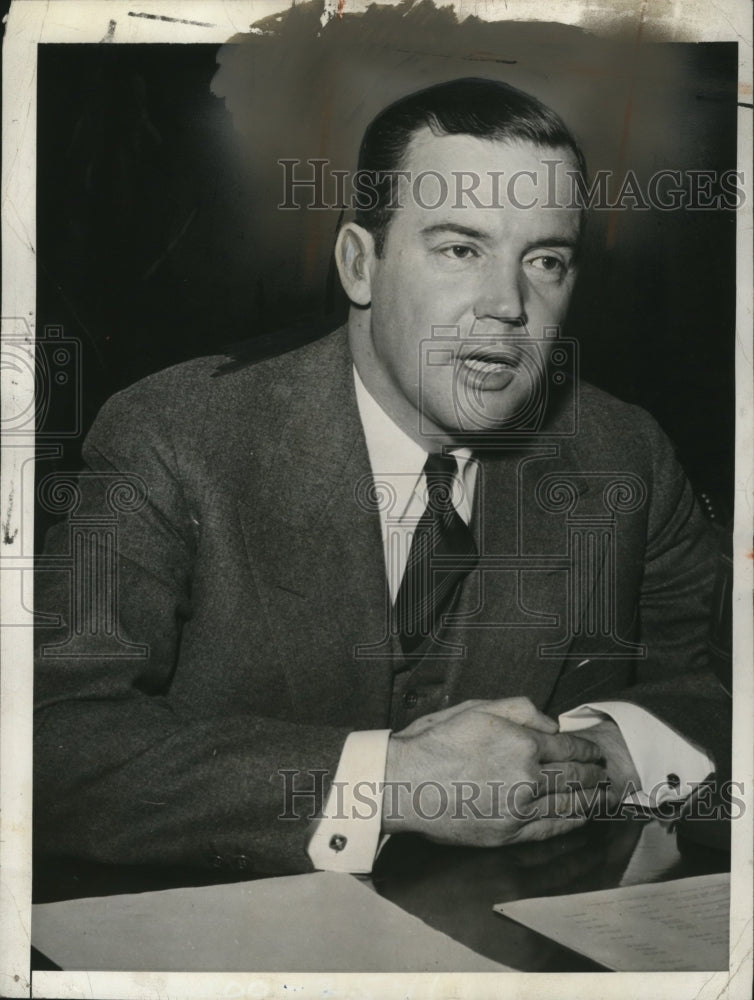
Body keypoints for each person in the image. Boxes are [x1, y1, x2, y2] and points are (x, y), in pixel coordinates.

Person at [34, 78, 729, 877]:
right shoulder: (174, 437)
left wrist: (606, 759)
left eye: (545, 260)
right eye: (460, 248)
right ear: (361, 265)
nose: (507, 304)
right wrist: (394, 783)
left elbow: (723, 689)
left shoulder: (623, 456)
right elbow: (44, 739)